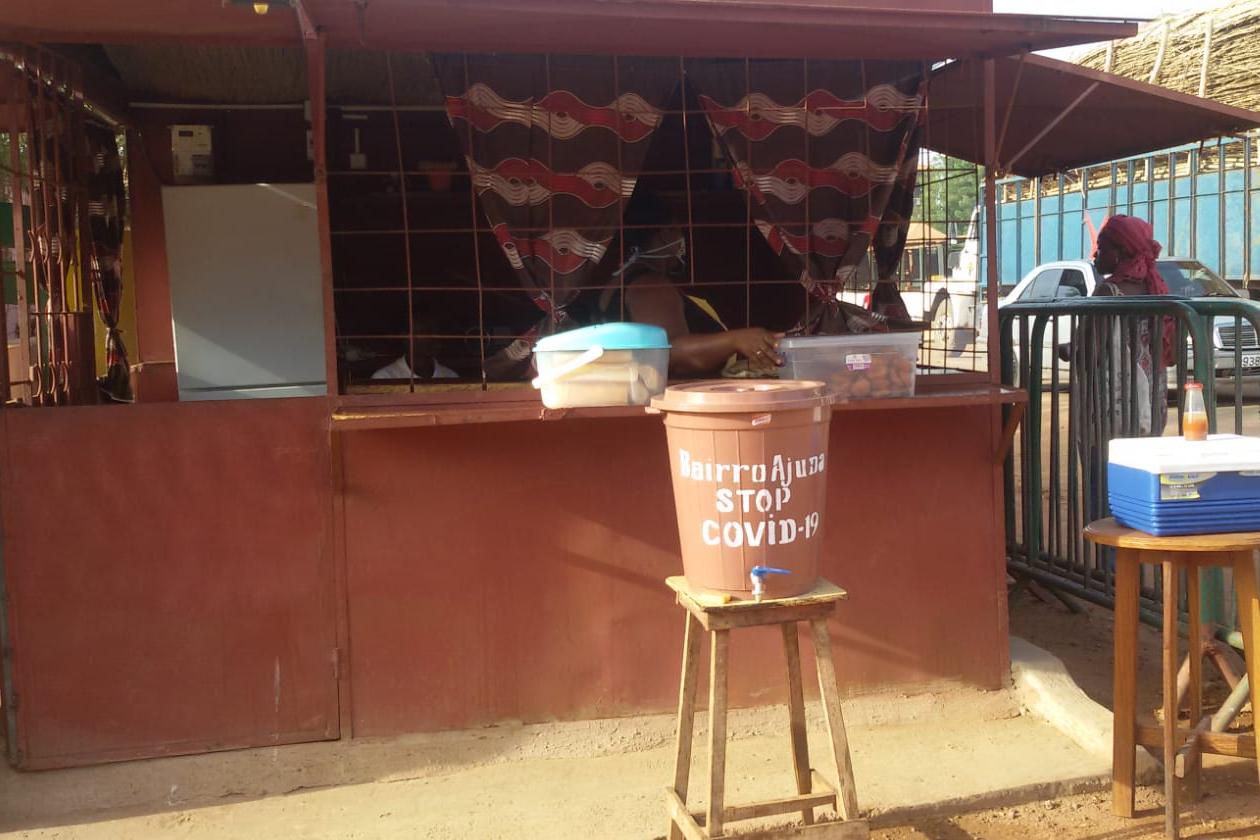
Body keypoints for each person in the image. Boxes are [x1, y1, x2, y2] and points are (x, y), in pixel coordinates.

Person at [590, 191, 784, 377]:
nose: (682, 241)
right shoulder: (650, 286)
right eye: (678, 230)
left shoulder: (622, 279)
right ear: (665, 233)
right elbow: (671, 352)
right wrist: (737, 340)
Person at [1072, 215, 1173, 534]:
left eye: (1102, 247)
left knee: (1105, 504)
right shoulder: (1158, 291)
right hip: (1150, 415)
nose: (1095, 254)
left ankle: (1109, 564)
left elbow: (1088, 355)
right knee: (1140, 499)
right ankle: (1142, 560)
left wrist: (1070, 350)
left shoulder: (1108, 292)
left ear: (1120, 252)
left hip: (1108, 417)